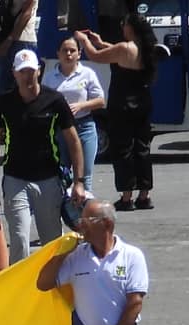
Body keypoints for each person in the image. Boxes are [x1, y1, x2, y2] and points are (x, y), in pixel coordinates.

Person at [39, 199, 150, 325]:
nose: (80, 225)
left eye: (87, 220)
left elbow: (135, 303)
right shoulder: (76, 256)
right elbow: (43, 283)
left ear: (107, 223)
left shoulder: (132, 256)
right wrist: (61, 254)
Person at [0, 47, 86, 262]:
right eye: (22, 71)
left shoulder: (55, 100)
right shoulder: (3, 103)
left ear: (39, 71)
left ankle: (51, 289)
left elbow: (74, 141)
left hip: (48, 179)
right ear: (14, 73)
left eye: (30, 71)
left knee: (51, 244)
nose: (26, 76)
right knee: (20, 239)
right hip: (15, 179)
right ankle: (21, 292)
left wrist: (79, 181)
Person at [77, 17, 156, 212]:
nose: (122, 27)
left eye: (125, 24)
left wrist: (84, 41)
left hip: (123, 104)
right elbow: (118, 52)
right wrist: (100, 42)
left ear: (131, 28)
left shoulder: (124, 48)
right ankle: (144, 195)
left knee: (123, 148)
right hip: (142, 101)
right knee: (142, 147)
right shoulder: (145, 48)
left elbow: (95, 56)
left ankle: (126, 196)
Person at [49, 33, 104, 207]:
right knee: (63, 175)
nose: (69, 54)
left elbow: (101, 100)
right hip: (60, 129)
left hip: (84, 126)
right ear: (58, 53)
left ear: (79, 54)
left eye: (73, 51)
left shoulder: (87, 73)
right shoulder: (50, 77)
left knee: (84, 176)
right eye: (65, 50)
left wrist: (82, 106)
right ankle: (65, 215)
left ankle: (85, 219)